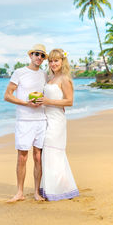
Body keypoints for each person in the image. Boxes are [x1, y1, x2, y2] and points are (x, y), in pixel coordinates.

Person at [4, 44, 48, 202]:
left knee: (38, 157)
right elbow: (7, 95)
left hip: (41, 120)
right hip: (24, 120)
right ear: (30, 55)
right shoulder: (19, 72)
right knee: (22, 157)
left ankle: (36, 192)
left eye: (42, 56)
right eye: (37, 54)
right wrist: (26, 103)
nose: (39, 57)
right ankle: (19, 192)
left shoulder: (44, 75)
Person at [38, 48, 79, 201]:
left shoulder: (64, 79)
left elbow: (69, 101)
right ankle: (54, 188)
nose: (53, 63)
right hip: (46, 119)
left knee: (53, 151)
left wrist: (48, 102)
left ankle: (60, 189)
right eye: (50, 61)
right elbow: (46, 98)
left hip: (57, 120)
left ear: (62, 61)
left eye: (56, 60)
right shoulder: (49, 78)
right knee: (49, 153)